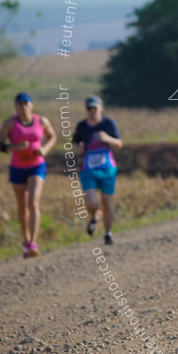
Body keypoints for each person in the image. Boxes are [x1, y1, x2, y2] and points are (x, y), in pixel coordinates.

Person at [0, 92, 56, 258]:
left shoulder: (41, 121)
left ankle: (33, 243)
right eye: (19, 104)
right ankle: (26, 239)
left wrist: (44, 149)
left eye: (26, 104)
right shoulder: (9, 124)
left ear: (32, 105)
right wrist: (15, 147)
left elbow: (52, 137)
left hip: (36, 166)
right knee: (22, 205)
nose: (23, 107)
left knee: (33, 202)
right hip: (17, 168)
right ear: (16, 106)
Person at [73, 96, 123, 245]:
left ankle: (108, 233)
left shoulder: (108, 124)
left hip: (107, 168)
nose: (92, 111)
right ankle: (95, 215)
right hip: (88, 169)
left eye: (95, 108)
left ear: (101, 108)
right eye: (89, 108)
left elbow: (119, 143)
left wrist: (107, 138)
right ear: (86, 110)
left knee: (107, 202)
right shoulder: (82, 126)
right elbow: (75, 144)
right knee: (90, 201)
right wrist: (79, 147)